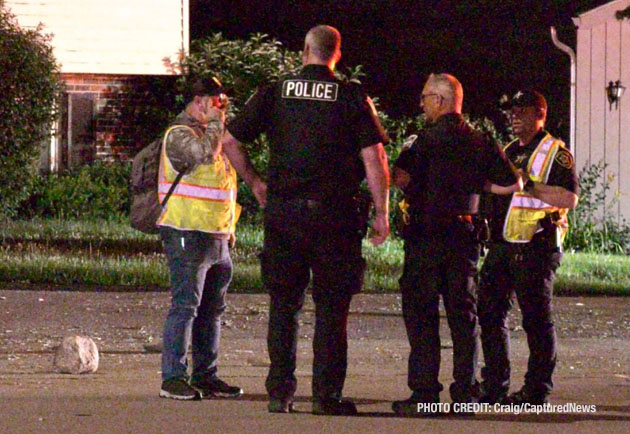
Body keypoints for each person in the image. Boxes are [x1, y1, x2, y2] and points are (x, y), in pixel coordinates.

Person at [221, 25, 390, 416]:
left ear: (304, 51)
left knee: (284, 304)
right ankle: (326, 396)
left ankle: (280, 393)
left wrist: (257, 185)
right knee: (333, 309)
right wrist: (381, 212)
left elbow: (230, 140)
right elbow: (374, 158)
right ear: (337, 55)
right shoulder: (351, 95)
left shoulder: (276, 91)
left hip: (285, 213)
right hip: (336, 217)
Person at [391, 73, 521, 417]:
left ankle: (424, 395)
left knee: (422, 316)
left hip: (424, 236)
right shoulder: (481, 140)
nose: (421, 104)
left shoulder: (420, 140)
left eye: (424, 98)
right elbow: (511, 183)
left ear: (440, 100)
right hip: (463, 237)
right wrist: (477, 187)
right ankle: (465, 394)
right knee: (463, 319)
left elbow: (399, 179)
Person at [478, 90, 579, 405]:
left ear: (541, 114)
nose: (514, 116)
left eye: (521, 110)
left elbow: (570, 199)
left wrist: (530, 184)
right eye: (511, 111)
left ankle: (536, 390)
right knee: (490, 314)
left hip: (537, 245)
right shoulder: (507, 150)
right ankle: (495, 385)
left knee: (535, 320)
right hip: (503, 245)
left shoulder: (556, 153)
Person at [157, 76, 244, 401]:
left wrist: (229, 230)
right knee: (185, 307)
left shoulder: (212, 135)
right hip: (186, 232)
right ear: (199, 100)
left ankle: (206, 375)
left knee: (212, 310)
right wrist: (217, 123)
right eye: (217, 102)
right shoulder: (178, 135)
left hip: (217, 237)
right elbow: (205, 156)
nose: (223, 109)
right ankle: (173, 379)